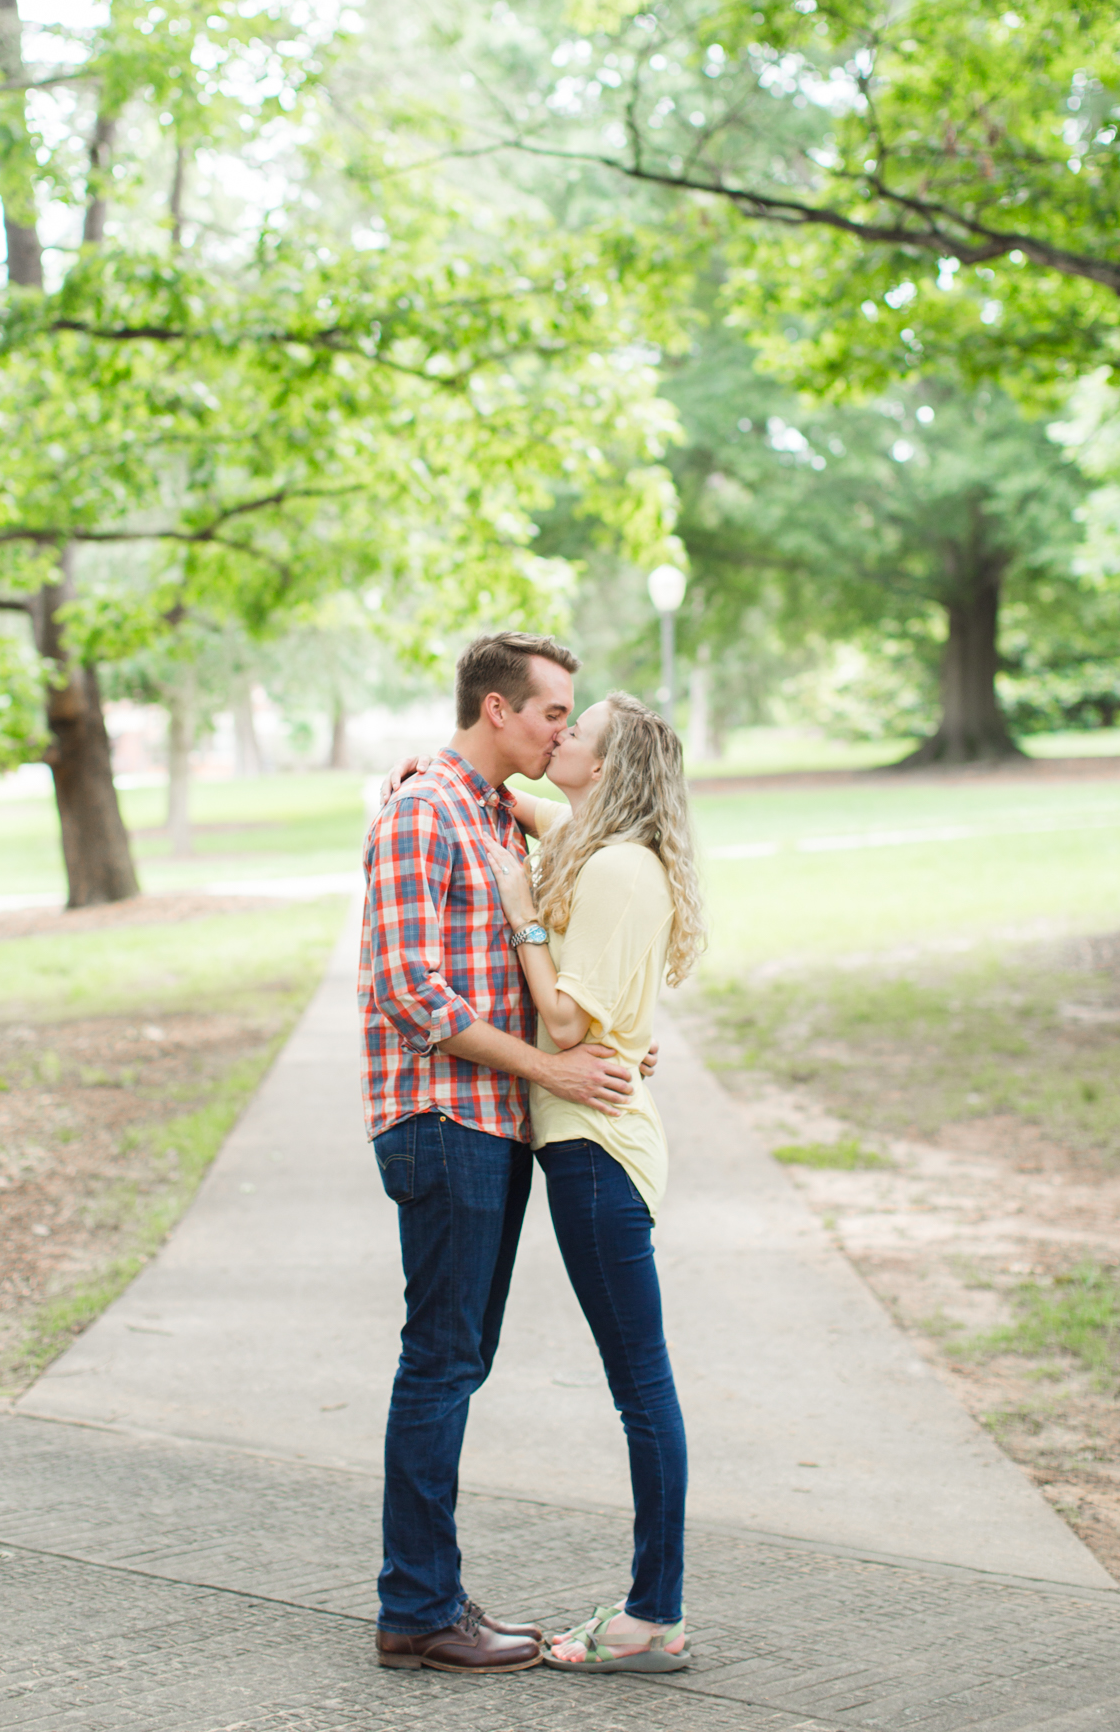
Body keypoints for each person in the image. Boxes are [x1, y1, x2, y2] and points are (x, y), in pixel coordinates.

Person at [359, 631, 639, 1675]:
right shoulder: (427, 810)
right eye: (553, 712)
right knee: (439, 1361)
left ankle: (427, 1591)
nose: (563, 729)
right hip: (441, 1122)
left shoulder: (487, 814)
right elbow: (409, 988)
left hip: (489, 1123)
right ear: (496, 709)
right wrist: (552, 1071)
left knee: (455, 1361)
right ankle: (418, 1608)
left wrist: (596, 1040)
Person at [481, 689, 705, 1674]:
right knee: (638, 1383)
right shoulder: (600, 846)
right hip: (586, 1142)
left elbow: (567, 1027)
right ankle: (653, 1605)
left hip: (598, 1148)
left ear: (611, 765)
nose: (560, 736)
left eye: (579, 731)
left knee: (641, 1387)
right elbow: (537, 813)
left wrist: (524, 914)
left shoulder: (617, 869)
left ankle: (655, 1614)